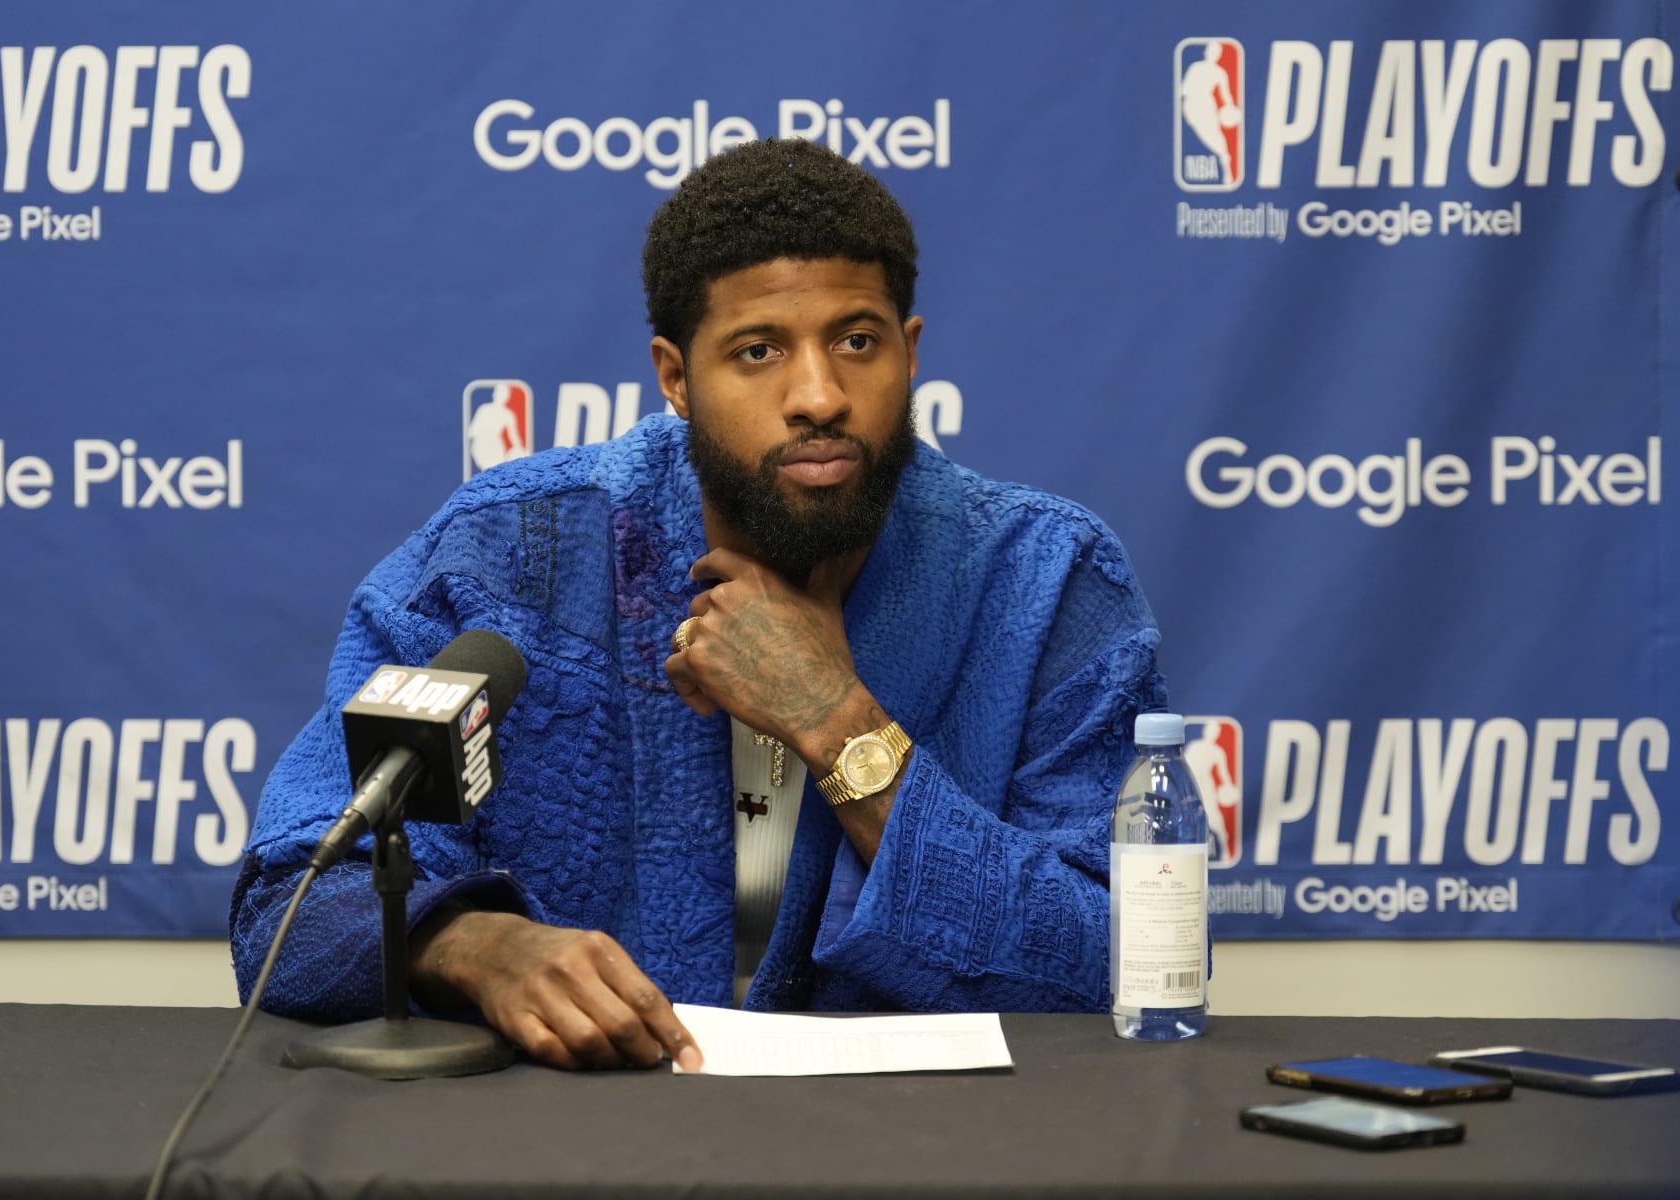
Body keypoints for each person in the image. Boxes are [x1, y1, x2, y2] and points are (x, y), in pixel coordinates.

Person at [231, 137, 1168, 1073]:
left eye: (856, 341)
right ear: (675, 377)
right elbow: (289, 905)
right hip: (576, 1146)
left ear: (910, 352)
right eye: (758, 351)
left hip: (924, 1146)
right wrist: (474, 945)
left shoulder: (1048, 578)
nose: (819, 396)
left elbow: (1128, 968)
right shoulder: (507, 555)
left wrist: (838, 725)